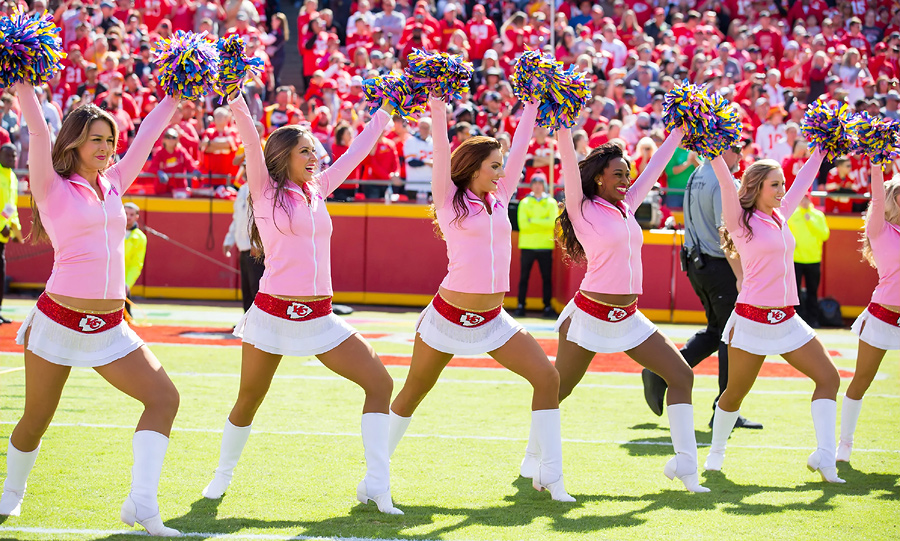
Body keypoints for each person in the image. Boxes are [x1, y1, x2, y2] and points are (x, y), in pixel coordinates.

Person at [202, 91, 403, 514]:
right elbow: (252, 142)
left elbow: (357, 150)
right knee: (249, 399)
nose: (314, 157)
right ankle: (220, 479)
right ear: (283, 158)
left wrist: (388, 109)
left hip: (321, 317)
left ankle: (377, 485)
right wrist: (237, 98)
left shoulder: (319, 190)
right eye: (304, 151)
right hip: (273, 314)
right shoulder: (264, 191)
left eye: (315, 150)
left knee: (380, 384)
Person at [0, 83, 182, 536]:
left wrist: (177, 94)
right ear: (76, 142)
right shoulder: (51, 185)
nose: (105, 147)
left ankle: (141, 503)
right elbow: (39, 135)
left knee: (164, 399)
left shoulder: (116, 183)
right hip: (59, 321)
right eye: (95, 139)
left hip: (109, 326)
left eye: (109, 140)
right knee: (37, 418)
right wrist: (23, 81)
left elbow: (146, 139)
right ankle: (11, 495)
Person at [388, 96, 575, 502]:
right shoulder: (449, 200)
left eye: (501, 165)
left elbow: (522, 144)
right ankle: (375, 468)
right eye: (494, 165)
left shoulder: (500, 196)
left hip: (493, 319)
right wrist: (438, 106)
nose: (502, 171)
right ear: (473, 169)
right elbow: (440, 153)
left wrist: (533, 102)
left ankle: (549, 474)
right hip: (447, 316)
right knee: (413, 392)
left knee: (547, 378)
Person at [548, 126, 708, 493]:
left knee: (681, 376)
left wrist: (680, 129)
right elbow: (570, 164)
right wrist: (563, 126)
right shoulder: (582, 207)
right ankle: (533, 457)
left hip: (628, 316)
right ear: (599, 178)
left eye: (627, 175)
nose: (625, 181)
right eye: (617, 174)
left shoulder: (627, 206)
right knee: (556, 391)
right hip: (589, 314)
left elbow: (656, 167)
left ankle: (687, 466)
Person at [706, 148, 844, 483]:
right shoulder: (742, 220)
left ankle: (826, 458)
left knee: (829, 378)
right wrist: (712, 152)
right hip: (752, 318)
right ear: (755, 187)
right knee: (735, 393)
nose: (782, 190)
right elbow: (727, 184)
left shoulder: (780, 215)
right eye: (774, 185)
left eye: (782, 184)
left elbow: (803, 181)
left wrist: (822, 149)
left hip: (786, 318)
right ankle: (715, 455)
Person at [641, 146, 763, 430]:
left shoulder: (697, 172)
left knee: (716, 332)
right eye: (735, 148)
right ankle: (724, 409)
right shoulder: (724, 181)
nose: (739, 155)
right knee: (730, 337)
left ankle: (661, 373)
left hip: (697, 262)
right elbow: (728, 232)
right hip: (719, 265)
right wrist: (740, 275)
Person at [839, 165, 900, 462]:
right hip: (883, 315)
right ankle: (844, 445)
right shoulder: (880, 228)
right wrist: (876, 162)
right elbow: (877, 198)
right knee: (862, 380)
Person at [514, 175, 557, 318]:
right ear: (531, 185)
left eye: (540, 183)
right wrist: (542, 221)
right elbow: (523, 226)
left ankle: (547, 307)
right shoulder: (524, 202)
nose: (538, 185)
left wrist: (532, 220)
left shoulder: (551, 202)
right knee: (523, 278)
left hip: (545, 246)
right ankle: (520, 306)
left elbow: (552, 223)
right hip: (527, 245)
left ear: (544, 185)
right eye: (535, 183)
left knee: (547, 278)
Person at [788, 193, 830, 328]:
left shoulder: (818, 215)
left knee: (813, 292)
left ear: (809, 200)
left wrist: (809, 221)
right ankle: (796, 319)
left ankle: (813, 320)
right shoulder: (792, 215)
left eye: (805, 199)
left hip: (813, 259)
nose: (803, 201)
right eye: (801, 199)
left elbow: (824, 235)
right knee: (795, 293)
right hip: (796, 259)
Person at [224, 182, 265, 313]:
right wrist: (229, 240)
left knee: (256, 288)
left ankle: (259, 322)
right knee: (246, 288)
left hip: (255, 249)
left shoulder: (262, 186)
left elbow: (262, 218)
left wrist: (257, 244)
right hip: (243, 247)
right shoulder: (243, 189)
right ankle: (247, 321)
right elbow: (237, 218)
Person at [0, 143, 21, 324]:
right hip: (0, 231)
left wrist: (16, 230)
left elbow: (11, 208)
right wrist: (0, 225)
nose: (12, 159)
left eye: (14, 156)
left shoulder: (13, 178)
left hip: (3, 236)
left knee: (1, 272)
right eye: (8, 155)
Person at [123, 202, 147, 317]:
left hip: (123, 282)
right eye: (126, 213)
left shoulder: (140, 238)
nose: (128, 217)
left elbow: (136, 264)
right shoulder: (111, 231)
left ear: (137, 217)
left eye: (131, 214)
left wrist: (127, 284)